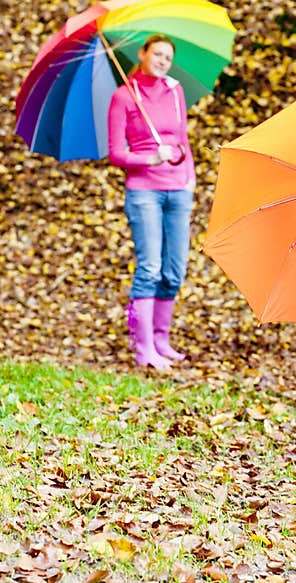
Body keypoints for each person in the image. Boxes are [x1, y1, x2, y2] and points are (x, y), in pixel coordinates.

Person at [107, 34, 195, 370]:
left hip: (179, 189)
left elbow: (182, 138)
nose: (162, 61)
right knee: (150, 268)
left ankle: (161, 339)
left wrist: (189, 176)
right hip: (144, 190)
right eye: (157, 54)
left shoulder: (175, 91)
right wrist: (149, 158)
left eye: (168, 57)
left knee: (174, 271)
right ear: (142, 54)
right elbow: (116, 154)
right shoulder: (123, 96)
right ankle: (142, 347)